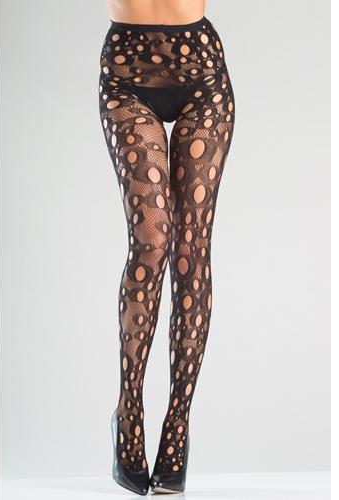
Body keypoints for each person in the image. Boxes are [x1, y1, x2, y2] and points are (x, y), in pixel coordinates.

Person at [99, 0, 235, 494]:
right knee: (151, 243)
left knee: (191, 251)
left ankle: (178, 423)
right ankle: (129, 408)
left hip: (202, 69)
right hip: (126, 72)